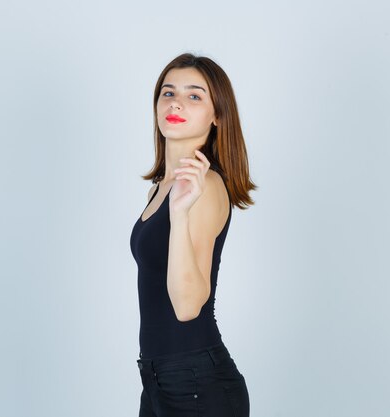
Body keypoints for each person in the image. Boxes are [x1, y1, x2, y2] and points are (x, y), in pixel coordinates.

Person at [129, 53, 257, 417]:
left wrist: (181, 214)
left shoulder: (207, 187)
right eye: (168, 93)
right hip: (158, 380)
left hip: (197, 385)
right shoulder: (160, 189)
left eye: (194, 96)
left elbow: (187, 307)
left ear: (216, 116)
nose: (176, 103)